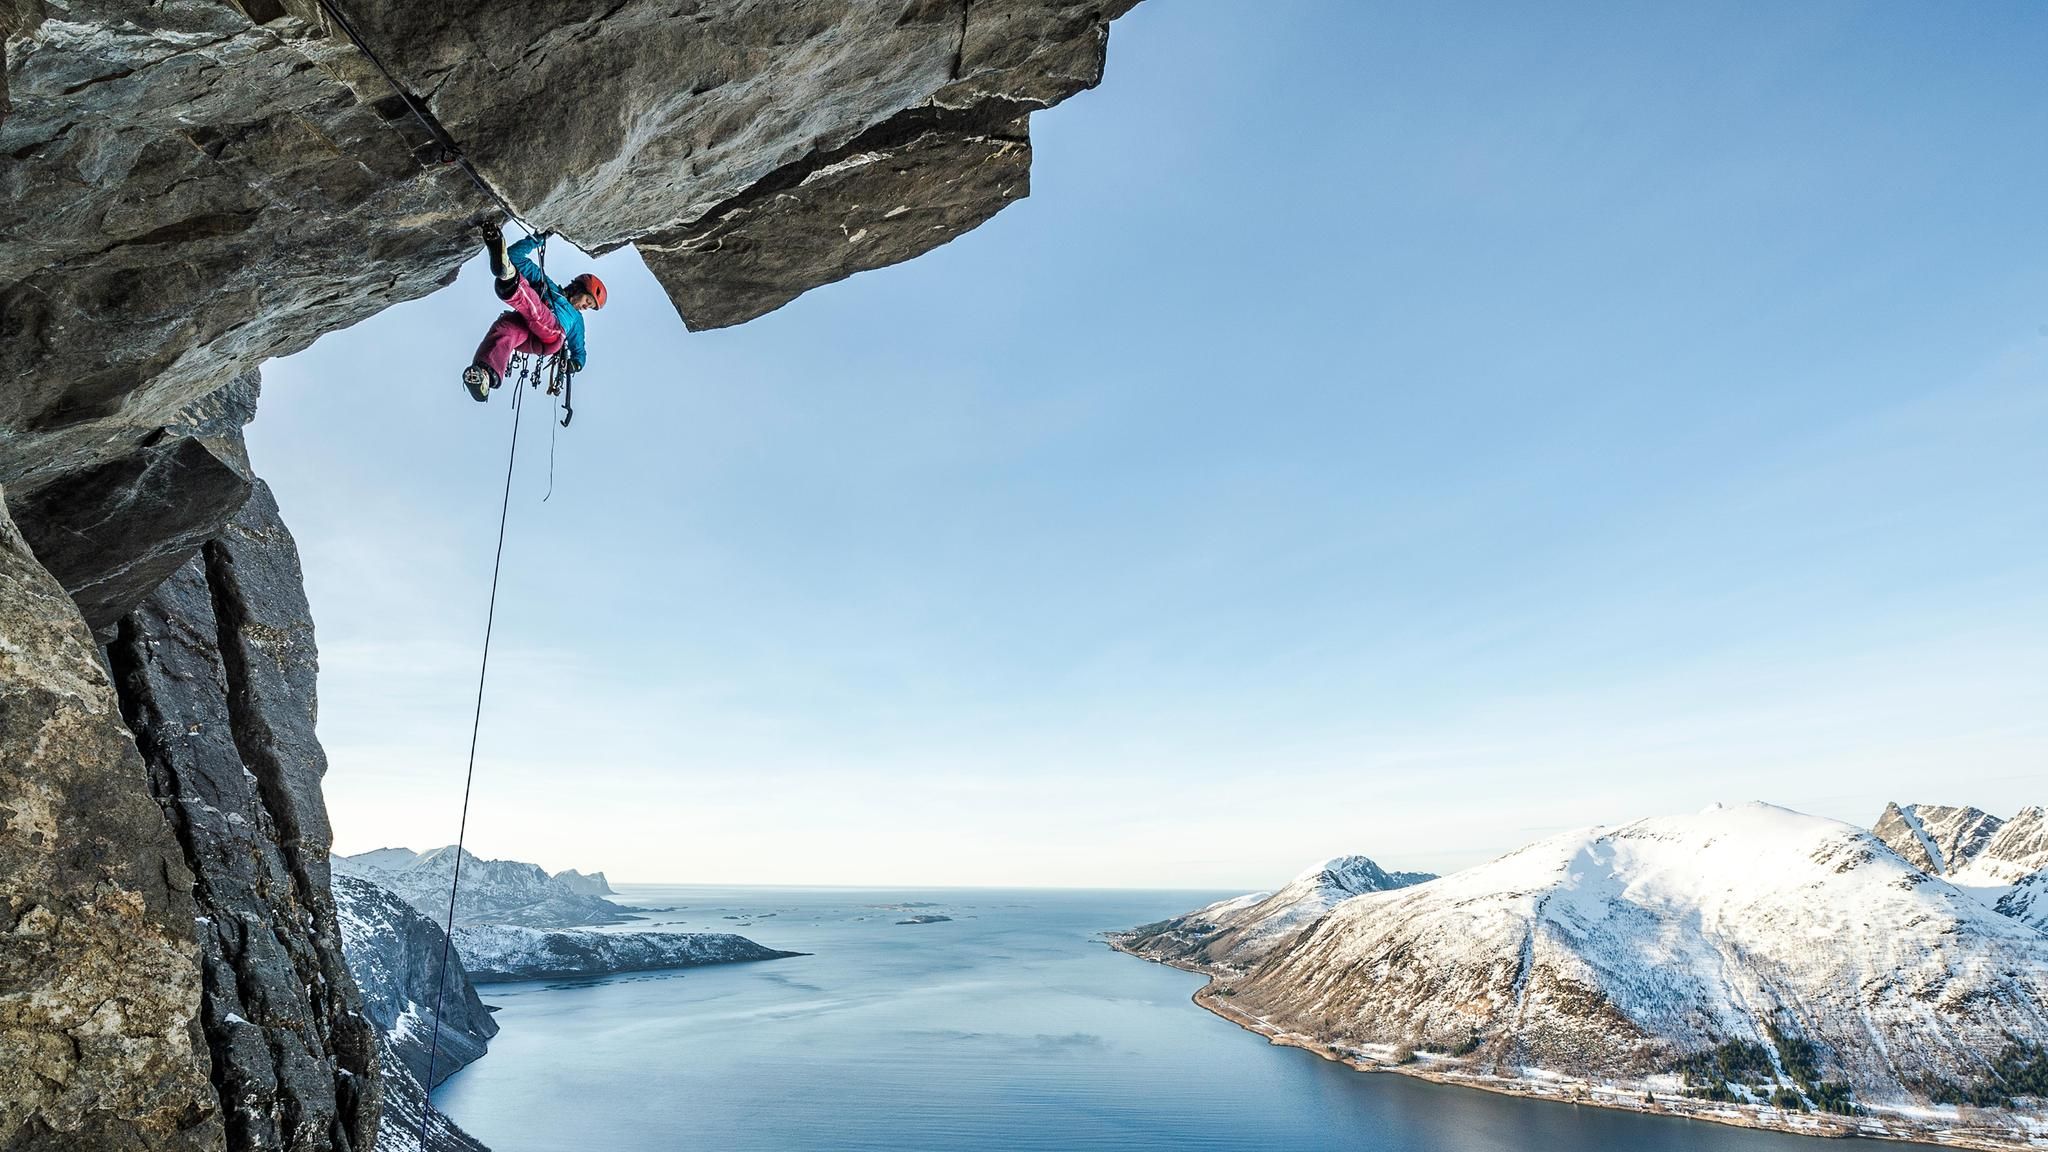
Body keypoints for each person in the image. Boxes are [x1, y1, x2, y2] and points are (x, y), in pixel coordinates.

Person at [462, 223, 606, 402]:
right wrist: (538, 239)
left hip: (550, 335)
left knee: (536, 310)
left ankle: (510, 280)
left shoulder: (576, 320)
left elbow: (580, 352)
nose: (586, 307)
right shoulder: (547, 285)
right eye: (588, 301)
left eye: (589, 306)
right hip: (526, 328)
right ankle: (485, 375)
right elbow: (513, 255)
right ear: (579, 289)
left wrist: (574, 365)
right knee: (505, 327)